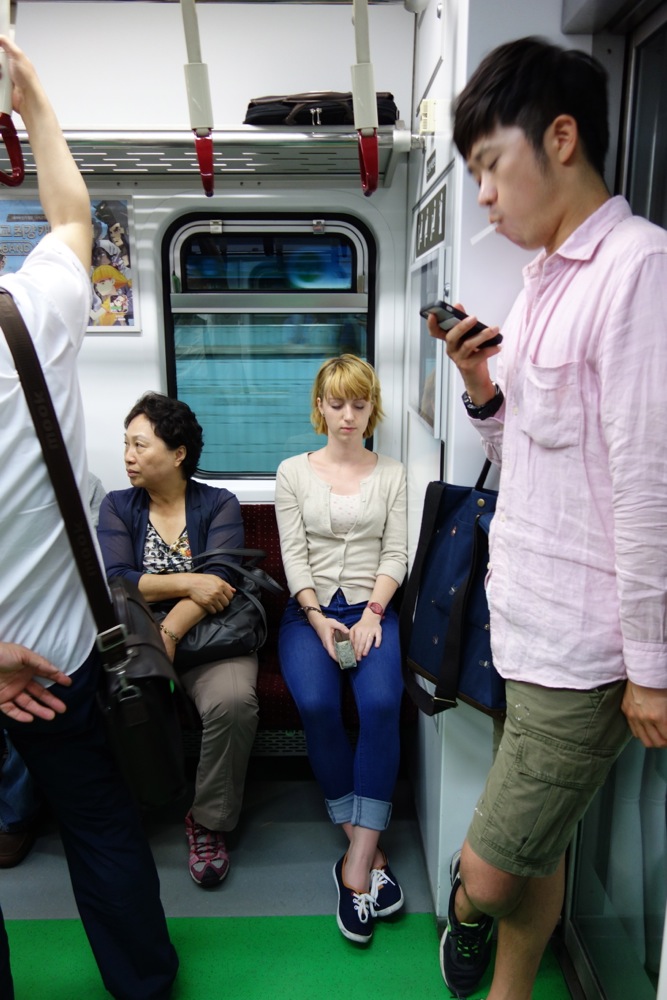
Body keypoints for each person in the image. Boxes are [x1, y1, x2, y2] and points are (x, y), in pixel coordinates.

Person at [427, 36, 667, 1000]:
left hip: (584, 648)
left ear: (559, 138)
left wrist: (651, 666)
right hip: (519, 621)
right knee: (541, 847)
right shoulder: (536, 289)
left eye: (491, 166)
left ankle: (462, 909)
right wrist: (482, 387)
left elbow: (646, 486)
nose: (484, 196)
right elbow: (526, 454)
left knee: (493, 871)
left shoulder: (637, 271)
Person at [0, 36, 178, 1000]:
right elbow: (72, 215)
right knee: (102, 830)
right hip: (62, 661)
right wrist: (31, 97)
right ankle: (142, 984)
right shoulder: (29, 317)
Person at [97, 392, 259, 888]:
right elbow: (118, 579)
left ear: (178, 453)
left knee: (234, 701)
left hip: (212, 637)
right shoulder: (118, 505)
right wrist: (190, 581)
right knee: (113, 696)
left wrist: (169, 629)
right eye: (126, 444)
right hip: (139, 637)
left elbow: (221, 582)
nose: (128, 456)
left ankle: (208, 821)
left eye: (140, 445)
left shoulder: (219, 503)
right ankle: (130, 806)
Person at [275, 354, 408, 945]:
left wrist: (373, 613)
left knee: (380, 705)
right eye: (337, 404)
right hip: (308, 613)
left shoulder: (394, 473)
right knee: (317, 704)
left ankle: (356, 864)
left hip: (373, 610)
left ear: (371, 408)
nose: (348, 415)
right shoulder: (292, 472)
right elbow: (294, 554)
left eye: (359, 403)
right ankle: (368, 846)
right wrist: (316, 616)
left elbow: (395, 553)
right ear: (320, 408)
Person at [0, 472, 109, 870]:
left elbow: (94, 564)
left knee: (43, 687)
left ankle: (14, 814)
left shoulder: (80, 482)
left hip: (52, 619)